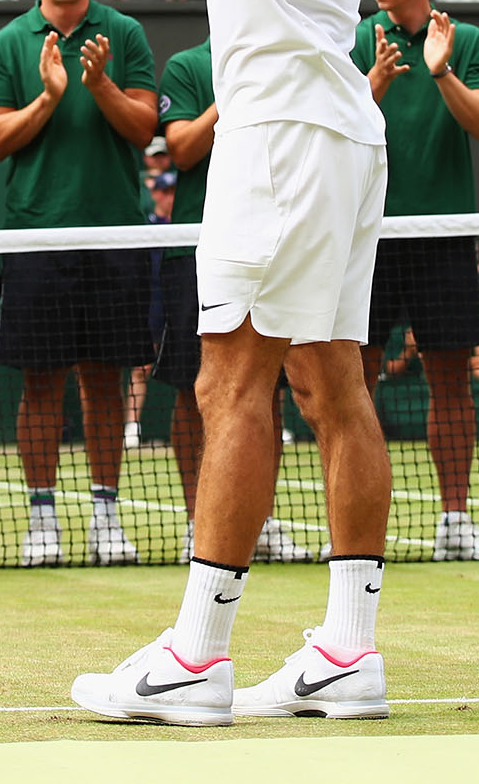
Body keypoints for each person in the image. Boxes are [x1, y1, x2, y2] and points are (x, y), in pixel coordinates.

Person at [62, 0, 396, 725]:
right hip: (332, 134)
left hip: (286, 137)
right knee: (329, 386)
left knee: (228, 385)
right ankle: (347, 653)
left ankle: (197, 658)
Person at [0, 0, 159, 568]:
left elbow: (144, 130)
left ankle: (107, 514)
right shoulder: (8, 43)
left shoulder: (125, 34)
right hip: (37, 235)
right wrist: (50, 97)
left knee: (104, 382)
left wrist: (98, 83)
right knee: (41, 384)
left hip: (113, 233)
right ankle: (42, 518)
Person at [356, 0, 479, 559]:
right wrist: (376, 84)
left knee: (451, 380)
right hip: (365, 233)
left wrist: (442, 72)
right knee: (354, 383)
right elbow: (330, 124)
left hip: (441, 236)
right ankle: (355, 523)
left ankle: (455, 517)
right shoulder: (356, 35)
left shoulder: (466, 40)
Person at [156, 34, 310, 565]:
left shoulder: (291, 56)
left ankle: (260, 520)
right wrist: (236, 92)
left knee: (268, 391)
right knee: (191, 390)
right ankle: (198, 522)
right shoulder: (187, 64)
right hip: (197, 246)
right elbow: (182, 148)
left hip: (274, 242)